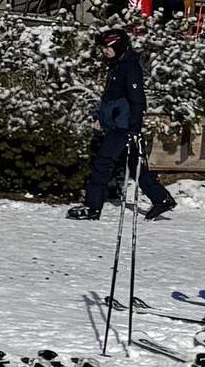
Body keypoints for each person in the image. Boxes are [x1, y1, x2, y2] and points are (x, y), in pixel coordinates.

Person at [75, 27, 175, 222]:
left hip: (123, 127)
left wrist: (134, 130)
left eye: (108, 47)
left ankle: (92, 208)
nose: (104, 51)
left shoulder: (130, 67)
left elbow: (137, 100)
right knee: (135, 164)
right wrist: (100, 119)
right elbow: (110, 98)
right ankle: (161, 199)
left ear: (119, 46)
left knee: (102, 164)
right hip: (116, 124)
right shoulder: (118, 65)